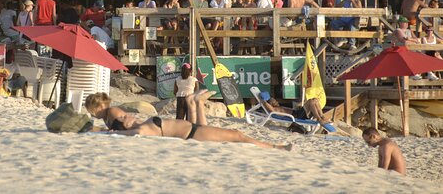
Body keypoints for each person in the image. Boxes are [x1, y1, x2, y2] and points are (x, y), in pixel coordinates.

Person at [84, 93, 291, 150]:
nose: (129, 116)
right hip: (190, 134)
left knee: (231, 134)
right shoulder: (141, 130)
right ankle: (275, 146)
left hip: (190, 131)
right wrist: (112, 133)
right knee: (237, 136)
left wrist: (107, 131)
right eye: (125, 119)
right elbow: (128, 131)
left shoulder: (124, 118)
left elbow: (123, 125)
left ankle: (196, 103)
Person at [260, 92, 335, 131]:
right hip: (297, 116)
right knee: (311, 102)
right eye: (274, 101)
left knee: (315, 100)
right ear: (271, 104)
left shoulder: (279, 107)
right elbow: (267, 105)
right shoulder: (275, 110)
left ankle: (322, 117)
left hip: (298, 112)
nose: (276, 101)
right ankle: (319, 118)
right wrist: (263, 101)